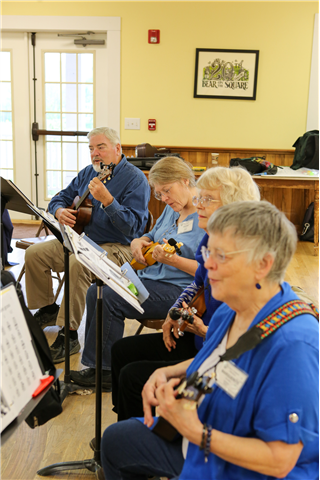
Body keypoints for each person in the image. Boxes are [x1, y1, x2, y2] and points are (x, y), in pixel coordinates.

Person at [100, 201, 319, 480]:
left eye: (221, 256)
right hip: (207, 422)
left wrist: (195, 432)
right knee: (117, 440)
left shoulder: (295, 346)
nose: (207, 264)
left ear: (264, 264)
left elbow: (280, 461)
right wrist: (170, 371)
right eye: (207, 252)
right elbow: (227, 360)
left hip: (238, 464)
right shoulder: (232, 308)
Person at [111, 166, 261, 421]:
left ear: (233, 205)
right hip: (201, 341)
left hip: (220, 360)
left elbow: (243, 350)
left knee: (133, 376)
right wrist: (174, 311)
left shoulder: (246, 262)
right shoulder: (211, 240)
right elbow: (196, 284)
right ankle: (131, 429)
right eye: (199, 197)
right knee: (121, 351)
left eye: (207, 199)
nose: (198, 204)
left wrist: (204, 331)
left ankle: (140, 436)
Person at [69, 156, 205, 390]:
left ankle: (104, 371)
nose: (164, 198)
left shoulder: (205, 217)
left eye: (167, 191)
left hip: (179, 290)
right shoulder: (173, 209)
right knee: (96, 290)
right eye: (159, 193)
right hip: (150, 277)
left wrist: (173, 260)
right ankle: (95, 365)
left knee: (110, 298)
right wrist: (138, 241)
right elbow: (151, 236)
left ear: (185, 181)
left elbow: (208, 272)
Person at [25, 126, 150, 363]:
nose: (95, 153)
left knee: (77, 264)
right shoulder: (87, 173)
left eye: (101, 147)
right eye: (91, 148)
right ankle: (48, 309)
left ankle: (69, 335)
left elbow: (134, 229)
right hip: (81, 240)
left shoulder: (135, 180)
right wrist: (59, 210)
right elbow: (59, 198)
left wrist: (109, 201)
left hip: (118, 248)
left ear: (117, 148)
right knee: (34, 254)